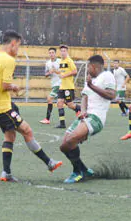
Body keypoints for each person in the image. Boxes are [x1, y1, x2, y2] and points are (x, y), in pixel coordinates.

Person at [0, 30, 62, 182]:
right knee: (27, 130)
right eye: (18, 46)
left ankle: (6, 173)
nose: (18, 50)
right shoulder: (8, 60)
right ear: (12, 44)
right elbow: (5, 84)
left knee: (10, 135)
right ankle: (49, 163)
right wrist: (14, 87)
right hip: (2, 108)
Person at [60, 55, 116, 183]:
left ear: (94, 66)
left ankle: (77, 172)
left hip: (96, 118)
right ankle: (83, 169)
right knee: (64, 145)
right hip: (86, 116)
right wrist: (83, 111)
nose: (87, 70)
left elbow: (112, 95)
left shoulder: (107, 76)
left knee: (71, 140)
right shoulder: (90, 80)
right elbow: (85, 97)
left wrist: (92, 86)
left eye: (88, 67)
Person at [56, 45, 81, 129]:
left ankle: (80, 109)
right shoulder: (60, 62)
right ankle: (62, 123)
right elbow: (61, 73)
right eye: (61, 51)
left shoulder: (69, 61)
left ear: (67, 52)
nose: (62, 52)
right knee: (59, 103)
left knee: (70, 105)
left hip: (68, 87)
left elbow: (75, 71)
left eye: (64, 51)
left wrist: (65, 75)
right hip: (61, 87)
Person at [39, 47, 61, 124]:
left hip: (59, 84)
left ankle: (47, 119)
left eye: (53, 52)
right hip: (54, 84)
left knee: (49, 98)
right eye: (50, 53)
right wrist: (49, 72)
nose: (51, 54)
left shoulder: (60, 61)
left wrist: (55, 71)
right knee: (68, 103)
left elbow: (64, 72)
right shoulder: (47, 63)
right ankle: (78, 110)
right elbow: (45, 74)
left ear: (55, 53)